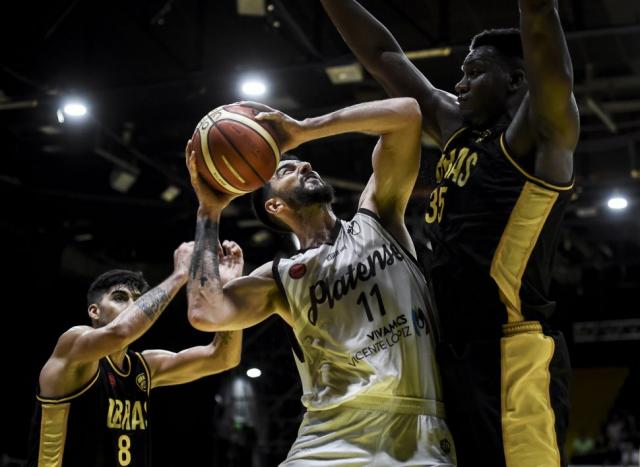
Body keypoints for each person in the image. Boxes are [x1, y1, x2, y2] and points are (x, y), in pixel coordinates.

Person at [320, 1, 579, 466]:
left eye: (474, 73)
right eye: (461, 73)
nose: (459, 84)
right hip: (446, 348)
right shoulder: (456, 129)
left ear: (516, 81)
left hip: (510, 350)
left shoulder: (540, 137)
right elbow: (383, 56)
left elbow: (543, 30)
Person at [185, 98, 456, 466]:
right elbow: (205, 313)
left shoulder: (378, 217)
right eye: (287, 170)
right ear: (275, 206)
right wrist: (209, 211)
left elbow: (407, 115)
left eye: (302, 162)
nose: (305, 165)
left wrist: (304, 129)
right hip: (327, 438)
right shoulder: (279, 277)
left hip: (416, 429)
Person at [27, 241, 243, 467]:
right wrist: (180, 275)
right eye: (120, 298)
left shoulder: (144, 366)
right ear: (94, 311)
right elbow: (121, 332)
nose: (132, 305)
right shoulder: (74, 345)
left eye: (137, 300)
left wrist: (230, 291)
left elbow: (223, 357)